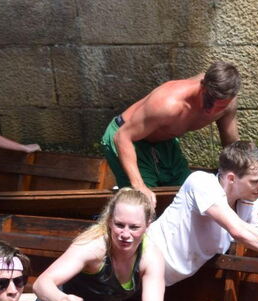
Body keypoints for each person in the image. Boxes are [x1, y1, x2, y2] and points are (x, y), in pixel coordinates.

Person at [33, 188, 172, 301]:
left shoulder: (151, 256)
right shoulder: (94, 247)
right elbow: (41, 283)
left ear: (148, 225)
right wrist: (60, 299)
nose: (125, 234)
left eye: (134, 227)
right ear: (109, 221)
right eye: (119, 224)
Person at [149, 140, 258, 286]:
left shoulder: (249, 202)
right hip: (139, 261)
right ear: (231, 179)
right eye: (255, 181)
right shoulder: (201, 183)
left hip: (163, 281)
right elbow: (238, 230)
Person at [100, 61, 241, 207]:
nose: (211, 111)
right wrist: (139, 186)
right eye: (208, 102)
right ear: (202, 86)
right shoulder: (167, 104)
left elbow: (232, 147)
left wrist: (246, 176)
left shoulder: (228, 104)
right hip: (127, 137)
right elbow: (122, 137)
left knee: (191, 196)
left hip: (164, 141)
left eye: (220, 106)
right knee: (143, 204)